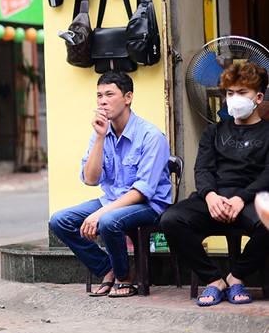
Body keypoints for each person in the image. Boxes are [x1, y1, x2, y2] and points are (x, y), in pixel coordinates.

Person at [50, 71, 172, 298]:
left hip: (149, 206)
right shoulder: (101, 133)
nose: (102, 101)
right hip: (112, 201)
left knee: (107, 220)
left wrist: (101, 213)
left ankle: (125, 278)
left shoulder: (151, 136)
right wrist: (99, 137)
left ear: (128, 97)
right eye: (99, 95)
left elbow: (142, 192)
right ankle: (107, 269)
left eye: (109, 94)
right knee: (60, 220)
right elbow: (91, 179)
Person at [160, 62, 269, 306]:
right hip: (214, 199)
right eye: (230, 93)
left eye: (242, 93)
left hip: (251, 199)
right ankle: (213, 280)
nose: (234, 98)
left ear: (258, 97)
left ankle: (236, 276)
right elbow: (203, 169)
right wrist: (210, 196)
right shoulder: (214, 132)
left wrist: (241, 198)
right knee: (170, 219)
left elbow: (267, 174)